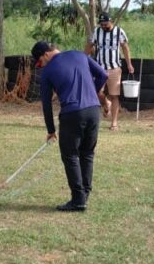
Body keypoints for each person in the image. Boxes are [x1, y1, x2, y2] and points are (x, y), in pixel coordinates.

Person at [32, 41, 108, 212]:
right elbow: (103, 74)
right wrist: (93, 93)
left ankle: (78, 199)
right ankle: (84, 194)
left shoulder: (48, 71)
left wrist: (51, 130)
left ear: (45, 54)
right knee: (87, 153)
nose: (42, 66)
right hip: (94, 111)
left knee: (70, 155)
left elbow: (46, 104)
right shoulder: (80, 55)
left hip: (72, 113)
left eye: (41, 62)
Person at [84, 12, 134, 131]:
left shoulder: (119, 32)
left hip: (114, 68)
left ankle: (114, 123)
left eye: (105, 24)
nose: (103, 26)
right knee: (96, 92)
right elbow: (90, 45)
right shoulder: (97, 32)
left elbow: (125, 48)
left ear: (110, 21)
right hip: (99, 68)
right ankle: (106, 104)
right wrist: (82, 58)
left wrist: (129, 64)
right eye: (101, 24)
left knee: (114, 95)